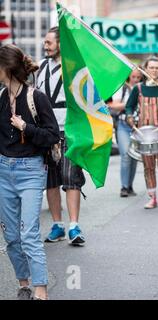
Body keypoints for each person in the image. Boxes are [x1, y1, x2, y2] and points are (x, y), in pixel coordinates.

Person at [0, 44, 60, 300]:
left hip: (31, 171)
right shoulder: (1, 98)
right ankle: (24, 283)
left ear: (7, 68)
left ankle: (41, 289)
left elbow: (52, 136)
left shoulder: (36, 97)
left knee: (29, 234)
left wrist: (26, 127)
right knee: (11, 236)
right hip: (4, 171)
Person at [36, 27, 86, 246]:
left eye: (49, 42)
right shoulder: (39, 67)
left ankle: (74, 226)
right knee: (51, 181)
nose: (45, 46)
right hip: (45, 132)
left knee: (72, 178)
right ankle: (57, 225)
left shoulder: (74, 67)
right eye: (45, 42)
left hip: (70, 130)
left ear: (60, 44)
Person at [126, 57, 158, 210]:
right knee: (148, 166)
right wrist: (130, 119)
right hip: (144, 134)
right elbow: (129, 107)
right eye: (151, 67)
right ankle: (152, 198)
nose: (154, 70)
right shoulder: (138, 89)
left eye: (157, 68)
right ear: (145, 69)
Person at [108, 69, 143, 197]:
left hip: (138, 128)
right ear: (129, 76)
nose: (136, 79)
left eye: (138, 77)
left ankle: (129, 185)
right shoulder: (122, 88)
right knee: (126, 155)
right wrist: (130, 103)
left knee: (134, 157)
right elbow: (113, 105)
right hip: (123, 125)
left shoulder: (141, 89)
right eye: (133, 76)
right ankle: (123, 186)